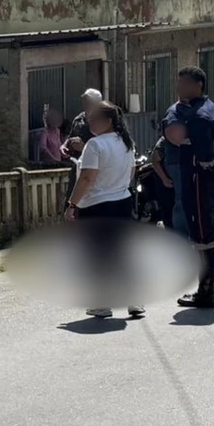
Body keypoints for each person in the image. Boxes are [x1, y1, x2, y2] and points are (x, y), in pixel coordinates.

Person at [63, 101, 146, 320]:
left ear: (108, 121)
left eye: (94, 119)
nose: (90, 123)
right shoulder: (126, 143)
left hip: (96, 206)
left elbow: (86, 178)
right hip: (122, 201)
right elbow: (131, 173)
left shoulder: (95, 145)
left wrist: (72, 204)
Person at [163, 66, 214, 309]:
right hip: (206, 181)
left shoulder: (199, 116)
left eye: (183, 83)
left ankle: (207, 293)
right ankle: (206, 290)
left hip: (199, 181)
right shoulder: (212, 109)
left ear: (198, 85)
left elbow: (206, 157)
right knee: (206, 235)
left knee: (204, 237)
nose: (179, 88)